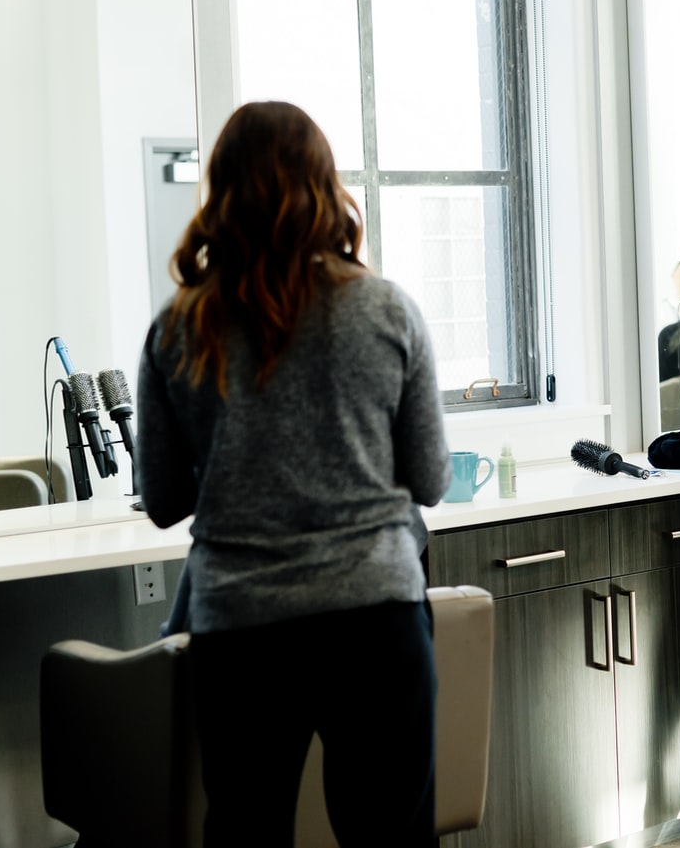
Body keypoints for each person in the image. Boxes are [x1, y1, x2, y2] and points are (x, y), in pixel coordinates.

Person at [136, 101, 447, 846]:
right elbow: (429, 478)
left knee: (246, 834)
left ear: (221, 192)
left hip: (241, 628)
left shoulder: (181, 325)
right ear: (324, 185)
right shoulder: (386, 310)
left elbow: (164, 500)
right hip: (376, 617)